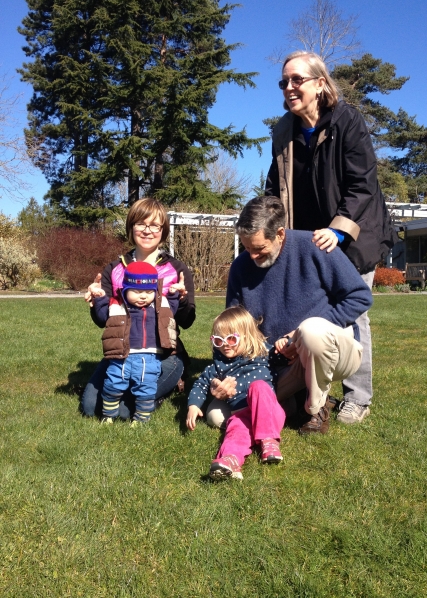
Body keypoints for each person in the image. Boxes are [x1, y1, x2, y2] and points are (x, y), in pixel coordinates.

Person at [265, 50, 398, 424]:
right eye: (284, 82)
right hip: (309, 239)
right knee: (310, 312)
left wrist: (339, 229)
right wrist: (269, 228)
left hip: (356, 232)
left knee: (352, 313)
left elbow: (362, 184)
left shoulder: (347, 122)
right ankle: (312, 391)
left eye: (297, 80)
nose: (288, 88)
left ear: (320, 84)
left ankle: (358, 396)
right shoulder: (283, 131)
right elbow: (274, 188)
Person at [212, 196, 372, 435]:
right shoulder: (241, 266)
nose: (252, 256)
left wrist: (296, 337)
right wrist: (222, 377)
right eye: (246, 247)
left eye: (259, 248)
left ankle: (315, 408)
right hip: (272, 364)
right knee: (217, 416)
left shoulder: (316, 247)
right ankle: (294, 400)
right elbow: (231, 329)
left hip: (333, 350)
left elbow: (360, 296)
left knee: (311, 332)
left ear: (280, 234)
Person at [81, 198, 195, 419]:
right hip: (122, 353)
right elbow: (103, 320)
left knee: (124, 411)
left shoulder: (177, 269)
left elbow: (188, 320)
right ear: (131, 226)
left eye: (155, 225)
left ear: (163, 230)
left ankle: (171, 381)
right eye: (141, 223)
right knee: (90, 407)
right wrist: (97, 300)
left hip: (165, 356)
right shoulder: (115, 269)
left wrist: (181, 299)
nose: (147, 230)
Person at [186, 307, 286, 480]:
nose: (225, 344)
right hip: (241, 413)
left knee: (259, 386)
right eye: (218, 340)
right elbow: (201, 383)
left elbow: (286, 357)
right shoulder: (218, 366)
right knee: (236, 430)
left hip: (268, 412)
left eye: (231, 339)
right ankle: (230, 461)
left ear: (247, 336)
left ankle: (269, 441)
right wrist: (193, 406)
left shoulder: (264, 353)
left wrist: (285, 345)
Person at [90, 261, 183, 424]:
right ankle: (108, 415)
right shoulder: (116, 304)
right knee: (113, 385)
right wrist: (99, 299)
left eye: (148, 291)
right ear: (125, 289)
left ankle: (141, 419)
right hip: (120, 357)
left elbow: (172, 310)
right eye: (137, 291)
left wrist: (175, 293)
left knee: (146, 390)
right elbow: (101, 317)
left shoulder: (160, 305)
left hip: (150, 358)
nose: (143, 296)